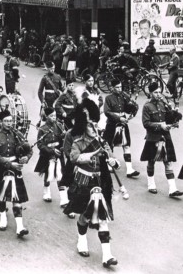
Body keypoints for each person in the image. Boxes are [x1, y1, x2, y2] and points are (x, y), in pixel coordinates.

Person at [63, 108, 120, 268]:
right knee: (85, 216)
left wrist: (113, 162)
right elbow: (74, 158)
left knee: (102, 219)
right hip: (83, 183)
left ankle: (107, 255)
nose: (94, 129)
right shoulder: (78, 143)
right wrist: (94, 153)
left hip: (100, 183)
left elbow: (110, 155)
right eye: (90, 126)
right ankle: (82, 241)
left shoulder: (101, 141)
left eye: (95, 126)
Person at [0, 110, 33, 237]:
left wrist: (26, 158)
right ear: (1, 122)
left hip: (15, 169)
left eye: (10, 121)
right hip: (0, 169)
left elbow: (29, 149)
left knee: (17, 198)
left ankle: (20, 226)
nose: (9, 123)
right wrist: (11, 164)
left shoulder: (18, 134)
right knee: (1, 195)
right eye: (6, 121)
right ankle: (3, 218)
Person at [141, 82, 183, 197]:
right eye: (155, 92)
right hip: (153, 137)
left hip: (165, 136)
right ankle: (151, 184)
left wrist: (173, 119)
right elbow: (146, 123)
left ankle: (173, 189)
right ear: (150, 93)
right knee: (151, 160)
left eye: (160, 92)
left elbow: (169, 118)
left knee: (168, 161)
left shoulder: (163, 103)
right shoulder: (147, 106)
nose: (158, 94)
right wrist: (160, 125)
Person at [103, 79, 140, 178]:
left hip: (123, 124)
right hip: (112, 124)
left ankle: (129, 169)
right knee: (110, 145)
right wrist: (119, 118)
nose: (120, 89)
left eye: (120, 87)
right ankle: (109, 165)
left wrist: (133, 107)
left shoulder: (123, 97)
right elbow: (107, 112)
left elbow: (127, 109)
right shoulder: (108, 98)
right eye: (117, 87)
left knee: (126, 145)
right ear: (112, 88)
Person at [35, 107, 66, 204]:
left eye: (55, 116)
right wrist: (51, 151)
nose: (54, 118)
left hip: (58, 154)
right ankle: (46, 193)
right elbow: (40, 144)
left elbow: (63, 141)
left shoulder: (59, 126)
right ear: (47, 116)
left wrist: (63, 138)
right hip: (47, 155)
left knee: (60, 176)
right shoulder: (42, 129)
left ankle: (64, 199)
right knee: (47, 175)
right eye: (52, 116)